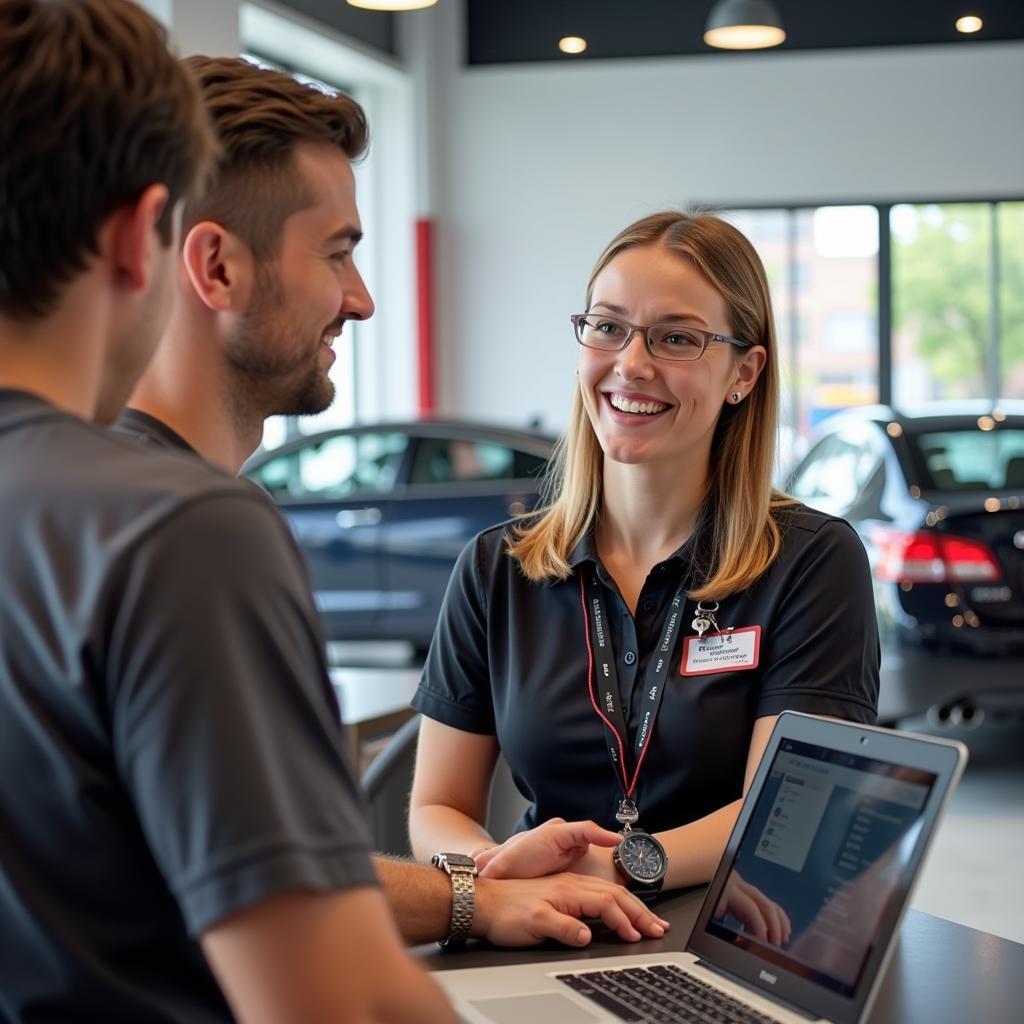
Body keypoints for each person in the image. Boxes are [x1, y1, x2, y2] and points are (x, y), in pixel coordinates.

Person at [0, 8, 655, 1023]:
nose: (360, 300)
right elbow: (334, 1000)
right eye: (338, 251)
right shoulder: (179, 532)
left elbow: (176, 868)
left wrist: (474, 895)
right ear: (187, 254)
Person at [408, 211, 880, 907]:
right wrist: (498, 878)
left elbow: (788, 813)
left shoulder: (811, 563)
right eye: (607, 327)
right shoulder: (496, 568)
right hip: (541, 923)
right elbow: (434, 806)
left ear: (743, 374)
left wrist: (614, 871)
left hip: (725, 935)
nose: (631, 363)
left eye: (677, 338)